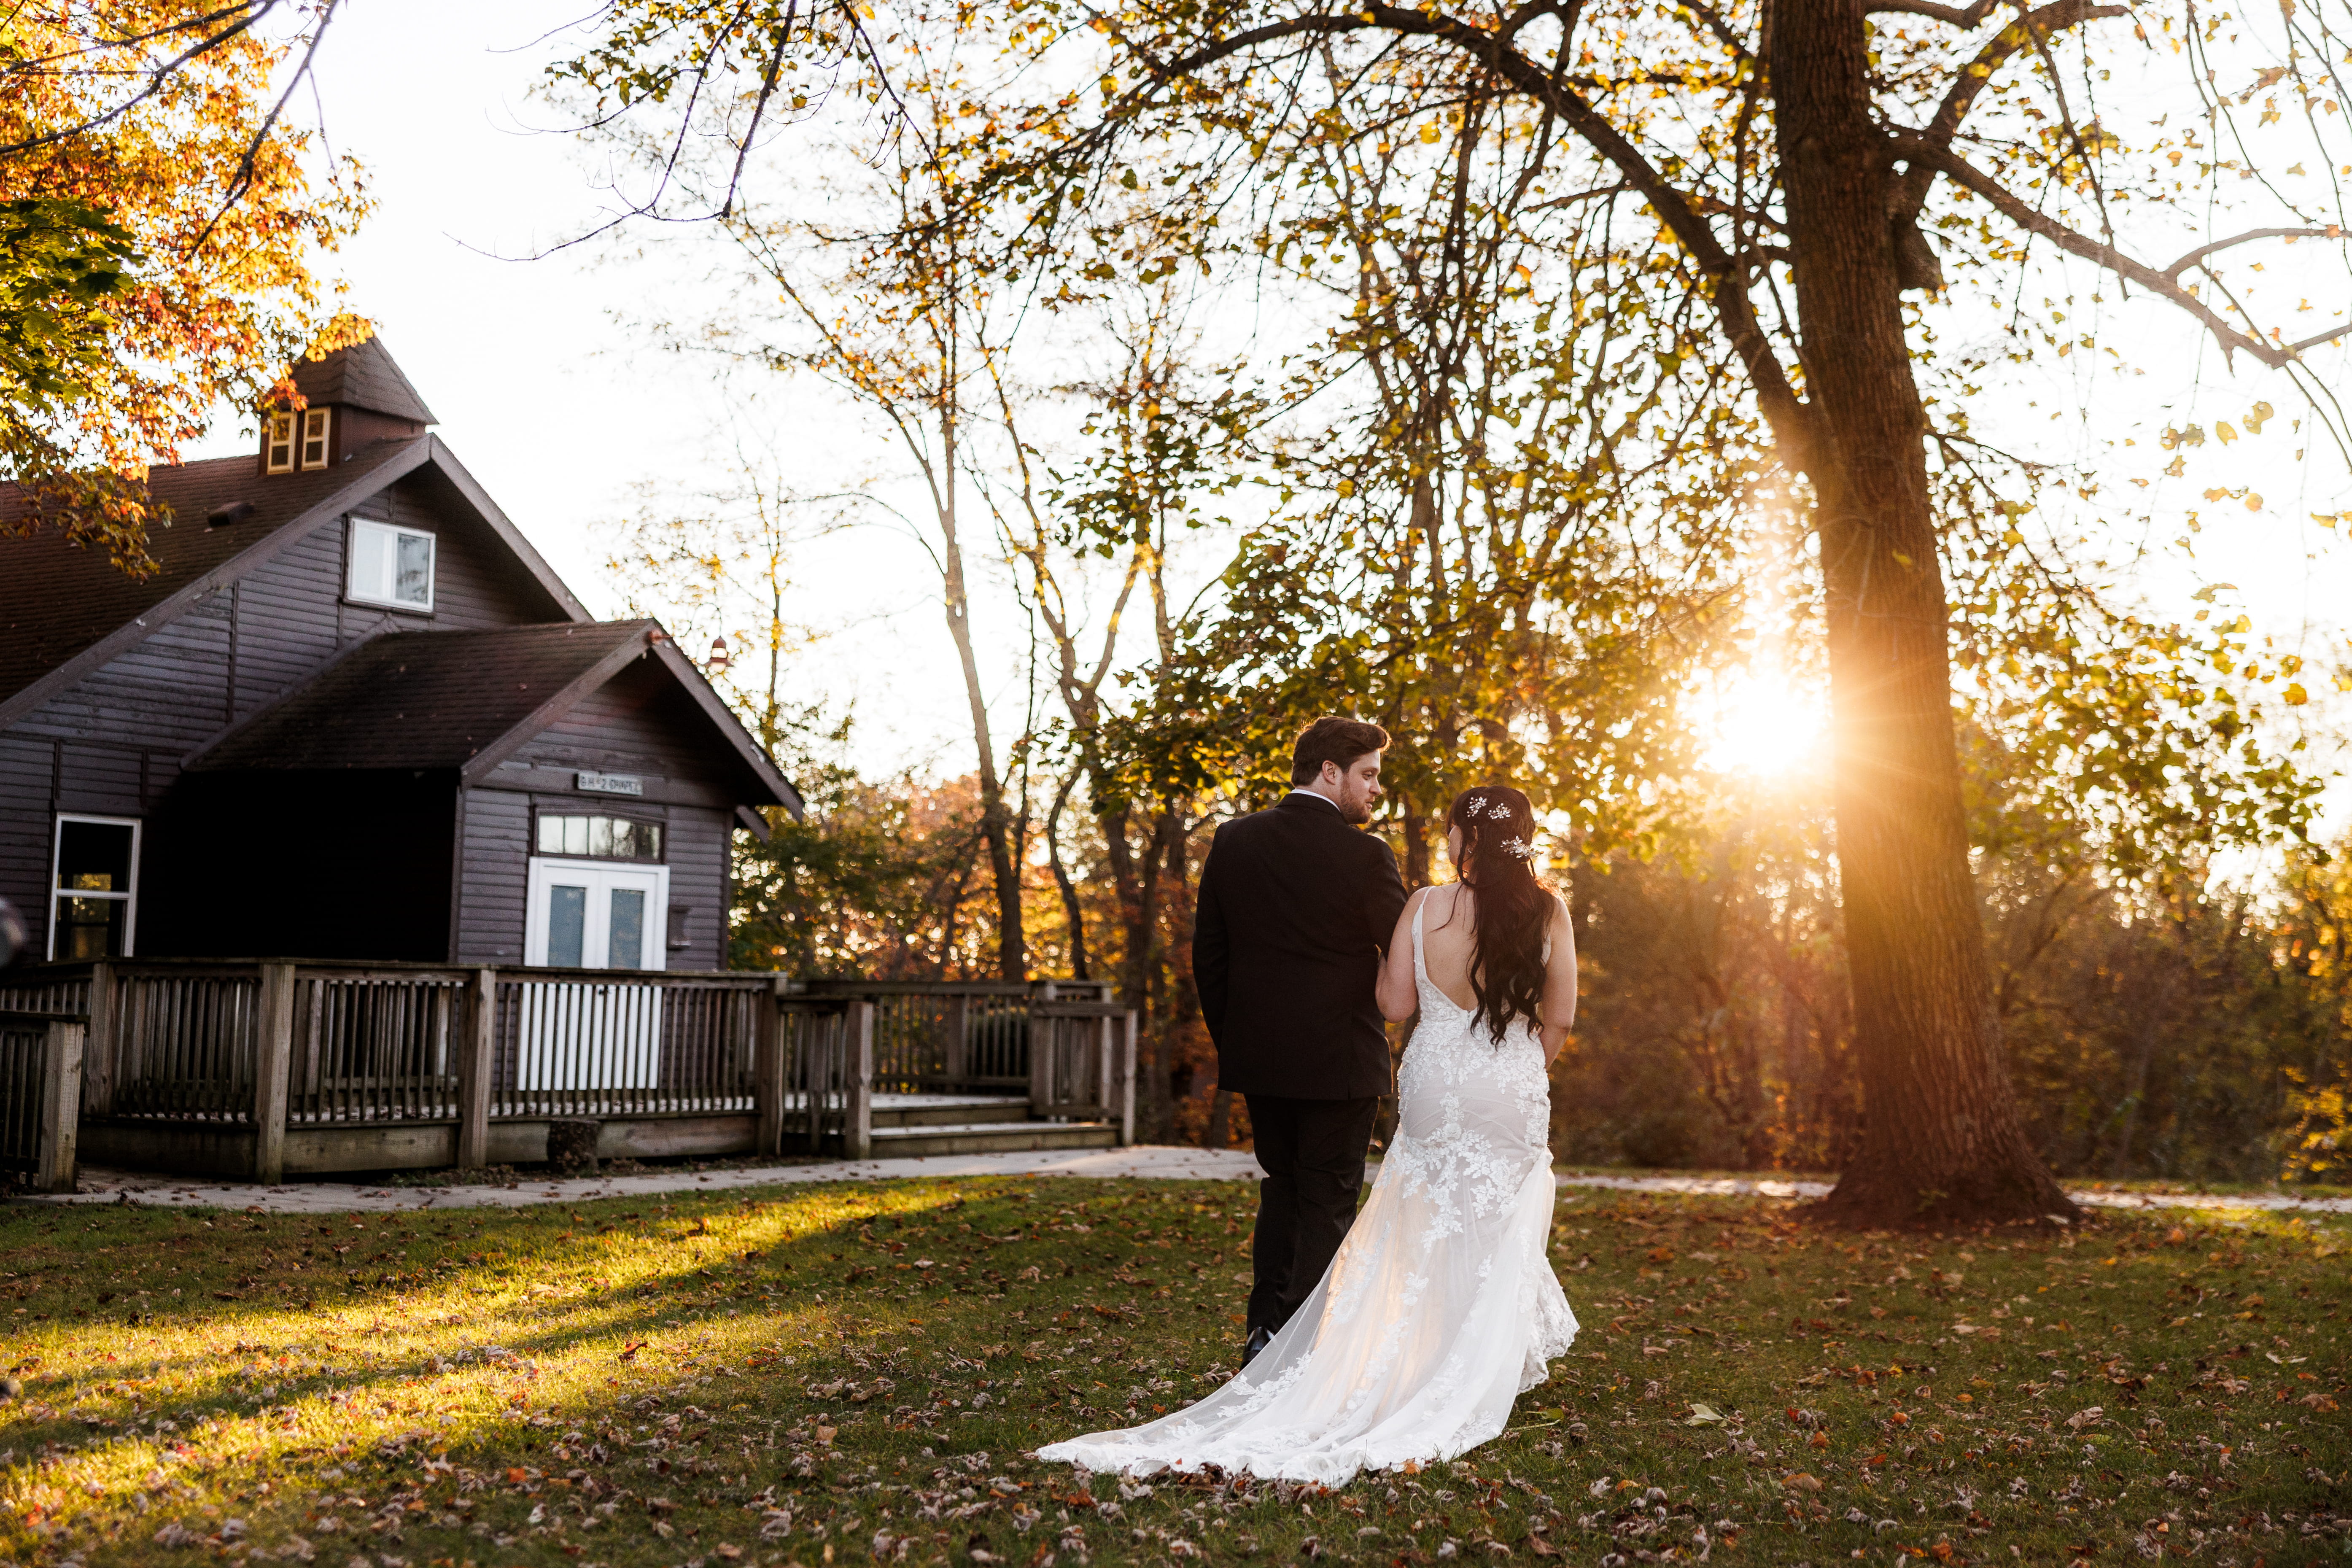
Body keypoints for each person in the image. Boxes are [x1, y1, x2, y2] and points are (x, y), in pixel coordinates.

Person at [1035, 782, 1581, 1485]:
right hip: (1510, 1081)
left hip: (1434, 1081)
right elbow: (1560, 1014)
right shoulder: (1549, 910)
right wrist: (1516, 1070)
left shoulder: (1423, 906)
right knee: (1497, 1216)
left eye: (1450, 830)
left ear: (1463, 838)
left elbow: (1391, 1003)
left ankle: (1407, 1358)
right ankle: (1474, 1361)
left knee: (1420, 1219)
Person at [1189, 717, 1408, 1369]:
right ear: (1330, 771)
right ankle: (1306, 1347)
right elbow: (1399, 952)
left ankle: (1265, 1330)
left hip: (1261, 1056)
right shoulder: (1366, 855)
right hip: (1342, 1059)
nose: (1375, 790)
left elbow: (1211, 956)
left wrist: (1238, 1038)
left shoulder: (1233, 840)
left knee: (1282, 1187)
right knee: (1329, 1197)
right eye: (1367, 774)